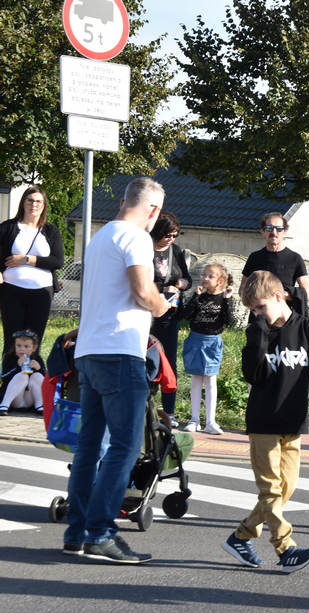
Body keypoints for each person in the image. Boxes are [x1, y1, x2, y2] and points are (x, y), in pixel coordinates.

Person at [221, 270, 309, 574]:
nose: (257, 314)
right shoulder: (257, 330)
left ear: (277, 296)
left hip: (293, 422)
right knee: (271, 490)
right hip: (262, 424)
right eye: (252, 311)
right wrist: (259, 332)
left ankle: (241, 536)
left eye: (260, 307)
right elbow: (251, 374)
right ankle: (286, 549)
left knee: (286, 489)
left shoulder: (308, 329)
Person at [63, 177, 171, 563]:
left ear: (124, 199)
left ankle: (76, 531)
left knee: (89, 445)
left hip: (89, 352)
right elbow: (142, 292)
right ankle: (101, 532)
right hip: (119, 351)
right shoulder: (137, 238)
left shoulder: (100, 236)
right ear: (153, 210)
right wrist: (163, 306)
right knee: (125, 446)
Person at [0, 186, 65, 357]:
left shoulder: (51, 231)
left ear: (44, 205)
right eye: (30, 200)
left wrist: (27, 260)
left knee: (34, 341)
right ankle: (9, 381)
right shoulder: (8, 228)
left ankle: (33, 380)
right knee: (12, 340)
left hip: (42, 293)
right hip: (12, 290)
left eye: (38, 201)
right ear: (23, 203)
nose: (34, 204)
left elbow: (57, 261)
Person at [179, 262, 234, 435]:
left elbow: (229, 321)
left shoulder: (223, 298)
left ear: (220, 281)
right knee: (196, 379)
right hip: (195, 340)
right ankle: (194, 419)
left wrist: (227, 300)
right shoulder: (200, 296)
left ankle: (211, 421)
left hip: (212, 342)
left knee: (210, 380)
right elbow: (185, 316)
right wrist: (194, 297)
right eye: (204, 275)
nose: (204, 278)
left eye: (210, 276)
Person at [149, 213, 192, 426]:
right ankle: (145, 406)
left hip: (170, 314)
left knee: (169, 362)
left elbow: (188, 279)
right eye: (168, 235)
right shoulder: (145, 249)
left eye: (175, 235)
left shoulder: (175, 251)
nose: (171, 239)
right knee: (146, 359)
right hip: (147, 313)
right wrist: (160, 288)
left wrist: (181, 284)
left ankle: (170, 411)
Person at [241, 212, 309, 313]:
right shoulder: (255, 257)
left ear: (285, 232)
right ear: (262, 231)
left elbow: (307, 294)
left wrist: (280, 296)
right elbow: (243, 289)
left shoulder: (295, 258)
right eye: (269, 228)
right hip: (260, 317)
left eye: (279, 229)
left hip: (286, 318)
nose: (274, 232)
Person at [0, 329, 45, 415]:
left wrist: (39, 369)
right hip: (15, 399)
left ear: (34, 348)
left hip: (30, 399)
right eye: (19, 346)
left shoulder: (37, 358)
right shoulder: (9, 358)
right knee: (22, 375)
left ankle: (40, 406)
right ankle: (4, 405)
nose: (22, 349)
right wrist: (18, 367)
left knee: (38, 375)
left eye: (26, 346)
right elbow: (4, 377)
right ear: (14, 346)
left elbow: (46, 380)